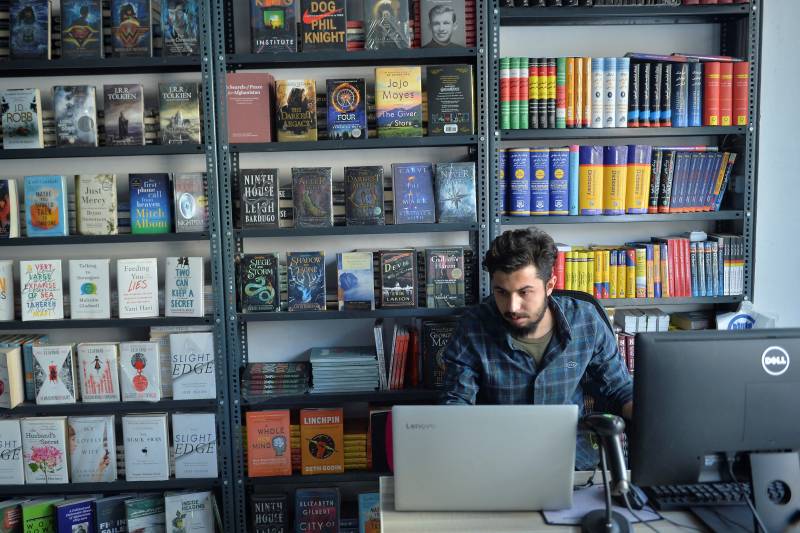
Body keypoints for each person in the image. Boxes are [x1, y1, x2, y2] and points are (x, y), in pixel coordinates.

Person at [441, 228, 633, 470]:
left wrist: (655, 419)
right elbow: (456, 404)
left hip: (574, 464)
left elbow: (621, 390)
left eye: (524, 292)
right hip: (501, 464)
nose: (512, 306)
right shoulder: (473, 327)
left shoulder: (585, 321)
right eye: (501, 292)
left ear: (549, 285)